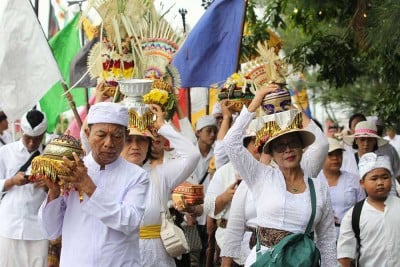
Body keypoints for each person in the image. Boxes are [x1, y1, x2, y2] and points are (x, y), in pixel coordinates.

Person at [223, 84, 336, 266]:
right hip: (265, 261)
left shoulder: (318, 186)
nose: (288, 150)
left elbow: (327, 240)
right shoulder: (261, 176)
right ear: (272, 154)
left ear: (302, 147)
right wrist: (256, 101)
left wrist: (287, 106)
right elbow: (230, 143)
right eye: (280, 147)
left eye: (293, 143)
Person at [39, 102, 149, 267]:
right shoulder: (70, 169)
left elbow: (129, 221)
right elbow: (51, 230)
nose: (109, 143)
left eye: (117, 136)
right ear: (88, 133)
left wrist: (88, 186)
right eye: (101, 134)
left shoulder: (137, 176)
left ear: (125, 135)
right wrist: (54, 192)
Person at [121, 104, 201, 266]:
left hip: (157, 257)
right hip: (121, 255)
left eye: (141, 140)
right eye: (128, 140)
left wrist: (163, 127)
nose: (135, 146)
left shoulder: (160, 174)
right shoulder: (107, 176)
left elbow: (192, 155)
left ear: (149, 144)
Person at [0, 109, 48, 267]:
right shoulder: (5, 152)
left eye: (37, 139)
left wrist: (48, 185)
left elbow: (61, 193)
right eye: (28, 138)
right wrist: (12, 181)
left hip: (38, 229)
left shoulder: (50, 156)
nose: (31, 144)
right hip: (10, 226)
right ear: (21, 131)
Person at [337, 153, 400, 267]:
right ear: (362, 183)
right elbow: (345, 256)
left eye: (385, 177)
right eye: (374, 178)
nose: (380, 183)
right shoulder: (354, 215)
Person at [317, 138, 365, 238]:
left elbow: (363, 209)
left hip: (349, 234)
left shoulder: (354, 180)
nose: (335, 158)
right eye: (330, 155)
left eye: (338, 154)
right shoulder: (314, 181)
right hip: (321, 236)